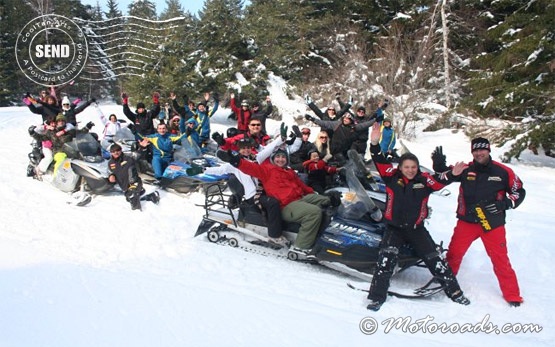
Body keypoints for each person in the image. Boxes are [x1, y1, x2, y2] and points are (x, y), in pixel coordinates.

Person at [365, 123, 471, 311]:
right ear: (401, 167)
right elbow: (379, 159)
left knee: (435, 260)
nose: (410, 170)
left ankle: (455, 292)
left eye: (413, 167)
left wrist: (453, 175)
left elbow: (440, 180)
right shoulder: (391, 176)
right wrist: (374, 143)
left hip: (416, 229)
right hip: (394, 228)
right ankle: (376, 297)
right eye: (407, 167)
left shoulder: (424, 180)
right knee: (385, 261)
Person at [432, 138, 526, 307]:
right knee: (454, 254)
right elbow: (446, 176)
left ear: (488, 150)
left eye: (482, 150)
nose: (478, 153)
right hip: (467, 222)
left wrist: (505, 203)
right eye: (475, 150)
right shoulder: (466, 169)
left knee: (500, 260)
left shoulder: (503, 171)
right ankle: (445, 283)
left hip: (492, 224)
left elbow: (518, 191)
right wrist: (439, 165)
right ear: (472, 152)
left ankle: (513, 295)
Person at [217, 140, 340, 259]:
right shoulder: (267, 170)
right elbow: (250, 168)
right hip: (285, 205)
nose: (280, 159)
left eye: (283, 157)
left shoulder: (289, 171)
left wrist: (323, 196)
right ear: (273, 159)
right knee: (314, 212)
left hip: (299, 199)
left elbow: (303, 187)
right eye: (278, 157)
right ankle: (301, 246)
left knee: (325, 201)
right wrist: (235, 161)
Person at [205, 133, 288, 246]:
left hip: (263, 192)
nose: (246, 150)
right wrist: (203, 169)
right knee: (273, 203)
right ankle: (274, 235)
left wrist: (280, 139)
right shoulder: (235, 163)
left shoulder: (257, 158)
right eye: (243, 148)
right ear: (239, 150)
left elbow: (269, 149)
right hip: (252, 197)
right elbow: (219, 170)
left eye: (248, 147)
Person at [305, 112, 375, 165]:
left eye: (348, 119)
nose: (345, 120)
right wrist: (313, 119)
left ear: (351, 120)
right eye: (344, 118)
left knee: (350, 162)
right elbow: (324, 123)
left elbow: (365, 125)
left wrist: (375, 120)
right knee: (339, 161)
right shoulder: (337, 124)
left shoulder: (354, 127)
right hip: (335, 150)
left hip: (346, 150)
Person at [107, 143, 159, 211]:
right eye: (113, 151)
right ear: (111, 153)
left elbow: (138, 154)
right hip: (124, 186)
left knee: (132, 194)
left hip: (134, 182)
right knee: (129, 198)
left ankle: (137, 212)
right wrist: (111, 176)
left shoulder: (128, 157)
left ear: (121, 150)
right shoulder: (110, 163)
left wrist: (142, 147)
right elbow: (109, 172)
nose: (116, 153)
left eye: (118, 150)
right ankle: (150, 196)